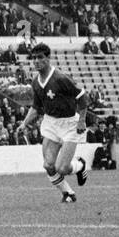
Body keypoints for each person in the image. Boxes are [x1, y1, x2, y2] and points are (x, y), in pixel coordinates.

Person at [21, 43, 89, 202]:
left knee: (62, 168)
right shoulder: (36, 82)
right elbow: (36, 107)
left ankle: (79, 166)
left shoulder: (60, 78)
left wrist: (82, 120)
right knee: (48, 165)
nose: (36, 61)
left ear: (48, 58)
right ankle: (68, 193)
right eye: (34, 58)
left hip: (69, 124)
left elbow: (82, 96)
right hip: (51, 123)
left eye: (40, 58)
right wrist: (24, 123)